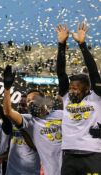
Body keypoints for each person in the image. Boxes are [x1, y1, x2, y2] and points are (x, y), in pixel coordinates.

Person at [56, 22, 101, 174]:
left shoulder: (95, 97)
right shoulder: (66, 97)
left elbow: (94, 73)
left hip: (92, 153)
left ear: (87, 88)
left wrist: (82, 45)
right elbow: (61, 73)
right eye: (70, 88)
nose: (71, 91)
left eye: (75, 88)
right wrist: (61, 45)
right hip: (69, 153)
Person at [3, 65, 63, 175]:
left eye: (34, 99)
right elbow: (8, 112)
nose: (30, 102)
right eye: (28, 101)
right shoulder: (29, 120)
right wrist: (7, 88)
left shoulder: (60, 114)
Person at [5, 94, 41, 175]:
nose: (20, 107)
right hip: (11, 170)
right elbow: (12, 145)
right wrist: (2, 157)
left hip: (30, 171)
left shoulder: (37, 122)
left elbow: (37, 147)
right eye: (19, 104)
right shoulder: (13, 121)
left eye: (23, 105)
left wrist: (21, 128)